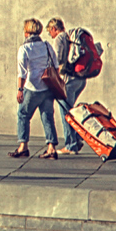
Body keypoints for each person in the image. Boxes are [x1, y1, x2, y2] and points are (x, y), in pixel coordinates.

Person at [10, 18, 59, 159]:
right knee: (48, 117)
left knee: (23, 115)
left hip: (32, 88)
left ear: (26, 32)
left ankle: (23, 147)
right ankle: (51, 148)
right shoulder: (46, 45)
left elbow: (22, 72)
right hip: (48, 87)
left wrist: (20, 90)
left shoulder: (24, 49)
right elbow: (55, 65)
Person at [47, 17, 86, 155]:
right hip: (80, 79)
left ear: (54, 29)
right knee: (71, 110)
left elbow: (57, 59)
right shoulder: (71, 37)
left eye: (49, 32)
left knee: (66, 113)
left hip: (68, 80)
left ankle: (71, 145)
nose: (50, 35)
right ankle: (77, 138)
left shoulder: (59, 38)